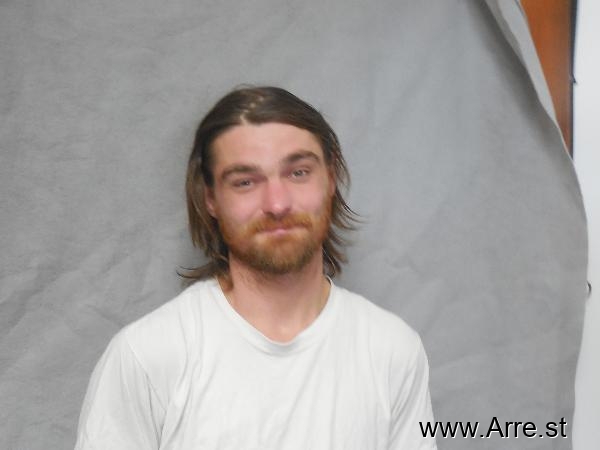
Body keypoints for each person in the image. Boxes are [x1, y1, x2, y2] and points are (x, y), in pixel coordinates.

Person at [75, 86, 437, 449]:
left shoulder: (393, 350)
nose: (277, 204)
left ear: (331, 177)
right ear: (210, 198)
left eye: (298, 173)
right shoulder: (146, 355)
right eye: (245, 182)